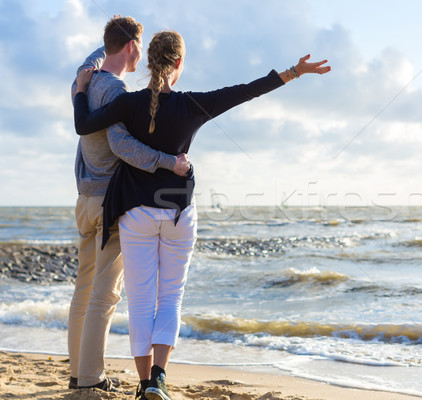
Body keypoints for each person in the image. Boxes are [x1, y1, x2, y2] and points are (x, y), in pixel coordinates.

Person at [73, 29, 330, 400]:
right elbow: (246, 90)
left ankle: (144, 383)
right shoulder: (193, 105)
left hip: (135, 214)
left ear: (147, 62)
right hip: (178, 213)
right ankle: (159, 378)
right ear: (179, 64)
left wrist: (82, 88)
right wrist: (294, 71)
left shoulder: (128, 104)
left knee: (141, 300)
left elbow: (84, 125)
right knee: (171, 298)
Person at [68, 17, 191, 392]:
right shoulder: (117, 92)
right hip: (109, 201)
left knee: (84, 288)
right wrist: (170, 162)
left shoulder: (85, 82)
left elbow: (90, 63)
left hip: (84, 198)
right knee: (105, 294)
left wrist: (89, 66)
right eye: (139, 45)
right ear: (134, 47)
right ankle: (89, 378)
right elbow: (125, 147)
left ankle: (78, 372)